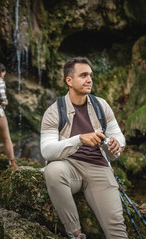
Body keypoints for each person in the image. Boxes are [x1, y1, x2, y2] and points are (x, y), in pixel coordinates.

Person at [40, 57, 127, 238]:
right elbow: (46, 150)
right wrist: (79, 139)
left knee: (117, 230)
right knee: (53, 171)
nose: (89, 80)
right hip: (68, 167)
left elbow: (118, 135)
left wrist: (117, 144)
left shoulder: (101, 105)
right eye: (83, 75)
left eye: (90, 75)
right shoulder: (54, 111)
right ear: (69, 81)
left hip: (99, 168)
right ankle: (75, 233)